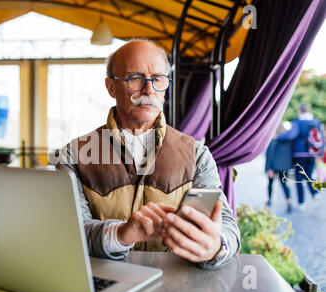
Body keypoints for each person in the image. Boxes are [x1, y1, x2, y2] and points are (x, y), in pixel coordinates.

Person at [56, 39, 240, 269]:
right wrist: (122, 234)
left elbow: (226, 225)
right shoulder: (75, 155)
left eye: (158, 79)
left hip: (175, 285)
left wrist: (216, 246)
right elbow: (70, 231)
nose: (149, 90)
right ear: (111, 86)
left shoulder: (197, 155)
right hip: (102, 285)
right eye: (135, 78)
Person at [277, 103, 323, 211]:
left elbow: (291, 135)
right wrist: (320, 151)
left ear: (300, 110)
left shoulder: (298, 121)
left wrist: (278, 136)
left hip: (300, 153)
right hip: (312, 152)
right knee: (309, 175)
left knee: (299, 178)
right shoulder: (316, 121)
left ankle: (301, 202)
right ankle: (315, 192)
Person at [265, 123, 293, 212]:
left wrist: (268, 168)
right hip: (284, 167)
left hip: (274, 166)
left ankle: (269, 200)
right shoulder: (289, 141)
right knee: (285, 184)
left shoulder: (274, 140)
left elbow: (269, 154)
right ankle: (289, 201)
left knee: (270, 184)